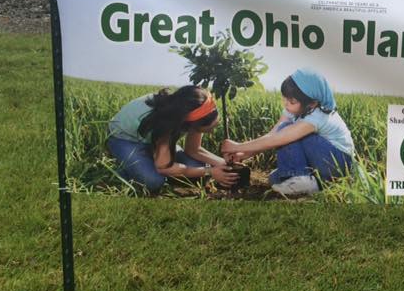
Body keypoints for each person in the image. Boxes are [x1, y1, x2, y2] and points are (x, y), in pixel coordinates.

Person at [221, 68, 353, 198]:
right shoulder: (295, 109)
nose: (286, 104)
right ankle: (315, 183)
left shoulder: (318, 115)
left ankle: (302, 179)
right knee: (275, 179)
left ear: (312, 103)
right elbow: (272, 135)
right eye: (285, 98)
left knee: (286, 130)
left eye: (292, 102)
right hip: (319, 162)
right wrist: (243, 154)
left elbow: (279, 138)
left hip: (338, 163)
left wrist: (237, 146)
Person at [106, 86, 238, 193]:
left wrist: (223, 164)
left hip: (155, 141)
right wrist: (210, 171)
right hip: (124, 139)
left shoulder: (194, 109)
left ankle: (152, 160)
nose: (212, 132)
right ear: (193, 124)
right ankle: (118, 170)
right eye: (209, 129)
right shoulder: (167, 121)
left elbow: (194, 150)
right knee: (153, 181)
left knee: (197, 169)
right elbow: (164, 167)